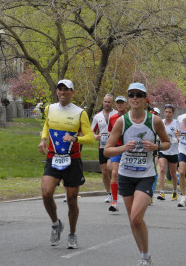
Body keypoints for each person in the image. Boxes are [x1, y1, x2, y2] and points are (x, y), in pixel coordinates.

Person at [104, 83, 170, 266]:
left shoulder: (154, 121)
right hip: (126, 174)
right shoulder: (121, 121)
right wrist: (124, 147)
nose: (135, 98)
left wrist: (156, 146)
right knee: (133, 221)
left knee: (135, 217)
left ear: (144, 98)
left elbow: (167, 143)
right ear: (128, 98)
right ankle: (145, 257)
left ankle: (145, 255)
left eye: (139, 95)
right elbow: (107, 151)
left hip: (146, 175)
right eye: (131, 95)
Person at [37, 79, 94, 249]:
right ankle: (56, 224)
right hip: (53, 157)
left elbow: (90, 138)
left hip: (73, 159)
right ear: (56, 92)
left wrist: (75, 138)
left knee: (71, 199)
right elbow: (47, 124)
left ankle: (72, 233)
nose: (62, 92)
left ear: (72, 92)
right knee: (46, 193)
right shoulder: (50, 108)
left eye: (66, 90)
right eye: (60, 89)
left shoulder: (80, 113)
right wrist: (43, 139)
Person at [91, 94, 117, 203]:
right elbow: (91, 131)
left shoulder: (116, 114)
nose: (107, 104)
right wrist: (95, 136)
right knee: (104, 171)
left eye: (109, 102)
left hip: (113, 146)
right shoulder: (97, 116)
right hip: (102, 146)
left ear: (112, 103)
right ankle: (109, 193)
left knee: (111, 168)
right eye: (105, 102)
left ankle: (114, 187)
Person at [107, 95, 129, 212]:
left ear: (126, 104)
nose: (119, 105)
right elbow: (110, 130)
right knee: (114, 172)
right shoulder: (112, 118)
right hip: (117, 148)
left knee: (128, 174)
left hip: (129, 149)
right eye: (118, 103)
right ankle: (114, 202)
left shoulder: (130, 117)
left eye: (122, 103)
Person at [156, 104, 179, 201]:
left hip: (173, 151)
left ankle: (174, 191)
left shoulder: (176, 123)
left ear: (173, 113)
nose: (168, 114)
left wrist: (175, 139)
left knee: (173, 172)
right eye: (166, 112)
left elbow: (179, 135)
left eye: (170, 112)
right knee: (162, 169)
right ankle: (162, 192)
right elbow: (157, 133)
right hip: (163, 150)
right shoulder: (160, 122)